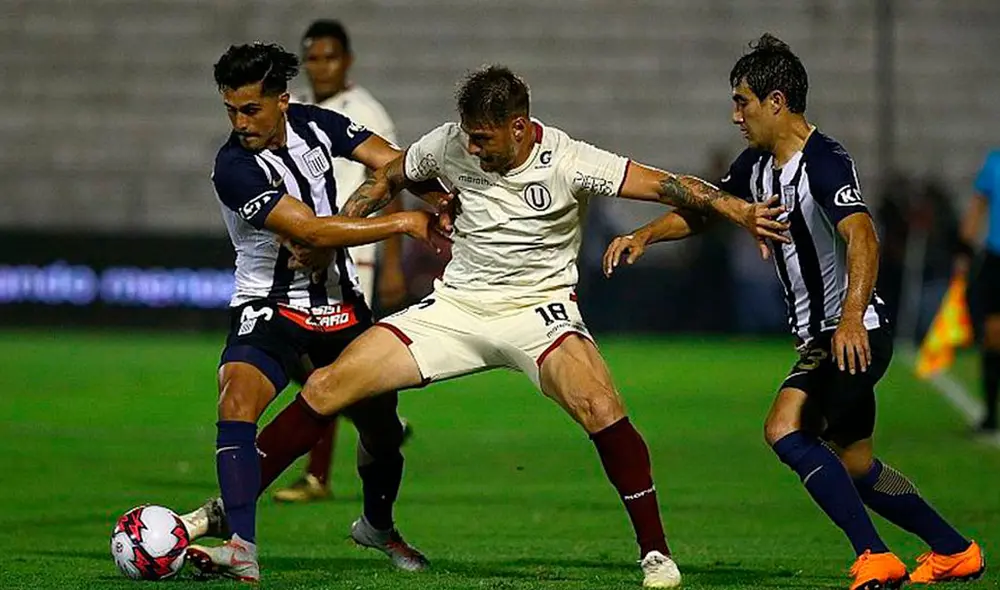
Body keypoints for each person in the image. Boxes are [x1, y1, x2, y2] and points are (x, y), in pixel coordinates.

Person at [189, 63, 789, 588]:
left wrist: (736, 208)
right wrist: (353, 215)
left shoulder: (571, 160)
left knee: (601, 405)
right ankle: (232, 509)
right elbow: (393, 174)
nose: (472, 150)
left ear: (520, 127)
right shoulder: (450, 143)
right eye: (468, 138)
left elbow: (667, 184)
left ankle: (656, 554)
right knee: (325, 388)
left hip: (540, 312)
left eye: (484, 140)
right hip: (456, 309)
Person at [603, 34, 985, 589]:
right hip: (828, 337)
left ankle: (873, 556)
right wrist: (646, 234)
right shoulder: (757, 165)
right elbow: (710, 210)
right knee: (857, 467)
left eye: (743, 102)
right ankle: (954, 550)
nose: (736, 114)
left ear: (776, 101)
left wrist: (851, 317)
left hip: (849, 333)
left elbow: (864, 237)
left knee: (784, 428)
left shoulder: (824, 161)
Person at [181, 42, 448, 582]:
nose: (240, 121)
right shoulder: (232, 166)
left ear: (282, 100)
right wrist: (401, 222)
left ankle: (378, 526)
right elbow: (305, 230)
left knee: (382, 434)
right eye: (230, 109)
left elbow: (390, 161)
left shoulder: (319, 124)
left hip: (340, 306)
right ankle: (241, 546)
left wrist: (434, 197)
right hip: (269, 304)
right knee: (236, 397)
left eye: (250, 109)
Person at [273, 18, 411, 504]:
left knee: (327, 360)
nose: (320, 66)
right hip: (311, 248)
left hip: (357, 258)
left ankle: (317, 475)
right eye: (312, 57)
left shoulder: (365, 111)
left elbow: (393, 182)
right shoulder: (299, 112)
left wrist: (393, 263)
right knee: (309, 358)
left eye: (329, 57)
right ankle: (378, 417)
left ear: (347, 60)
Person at [955, 149, 1000, 434]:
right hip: (997, 261)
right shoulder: (993, 164)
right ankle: (990, 412)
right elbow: (977, 207)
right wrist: (964, 251)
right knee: (994, 336)